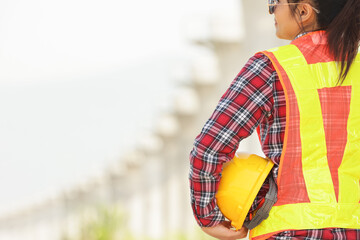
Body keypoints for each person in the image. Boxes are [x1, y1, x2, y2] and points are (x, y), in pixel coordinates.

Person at [189, 0, 360, 239]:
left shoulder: (269, 68)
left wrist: (208, 217)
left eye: (275, 2)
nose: (271, 9)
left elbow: (208, 149)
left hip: (286, 232)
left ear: (303, 11)